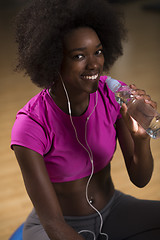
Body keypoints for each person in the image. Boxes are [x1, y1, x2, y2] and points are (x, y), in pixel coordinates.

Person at [11, 0, 160, 239]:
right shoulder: (30, 125)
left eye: (98, 52)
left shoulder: (114, 96)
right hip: (57, 225)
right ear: (53, 59)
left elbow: (140, 179)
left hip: (112, 211)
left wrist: (141, 139)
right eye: (79, 55)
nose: (94, 64)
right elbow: (53, 222)